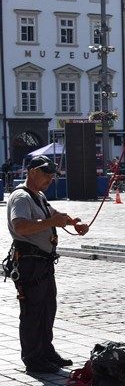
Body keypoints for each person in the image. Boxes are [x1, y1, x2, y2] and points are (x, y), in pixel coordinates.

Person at [6, 156, 89, 373]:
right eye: (46, 174)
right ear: (32, 172)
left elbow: (54, 214)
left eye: (52, 176)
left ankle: (46, 351)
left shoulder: (39, 196)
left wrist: (74, 222)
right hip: (29, 262)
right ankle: (33, 359)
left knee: (47, 308)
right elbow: (20, 226)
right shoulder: (21, 197)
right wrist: (52, 223)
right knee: (32, 311)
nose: (50, 179)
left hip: (43, 262)